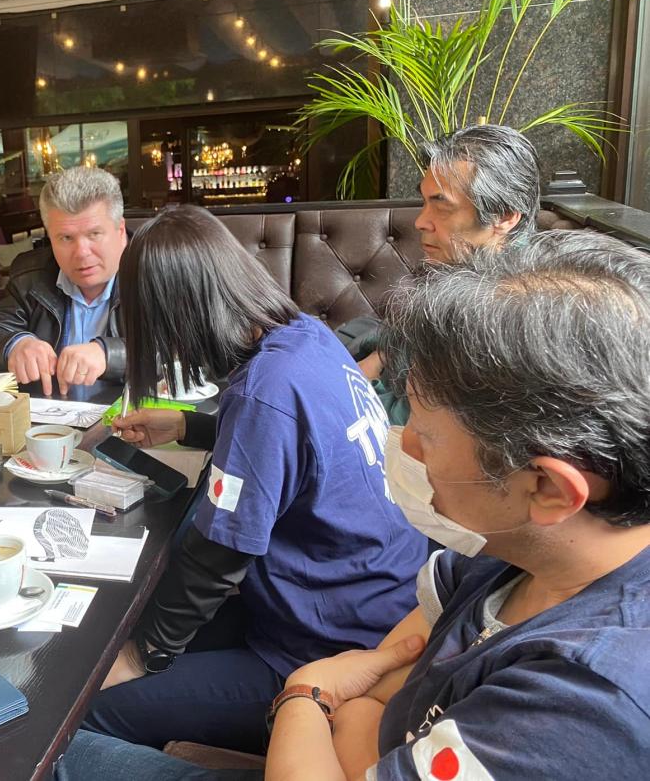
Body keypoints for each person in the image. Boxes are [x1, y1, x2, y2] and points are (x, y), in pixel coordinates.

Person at [59, 229, 650, 781]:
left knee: (70, 721)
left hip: (317, 638)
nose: (402, 445)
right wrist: (351, 714)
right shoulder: (501, 561)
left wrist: (307, 696)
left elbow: (347, 682)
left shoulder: (577, 704)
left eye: (427, 435)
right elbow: (383, 687)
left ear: (550, 489)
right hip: (321, 617)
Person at [83, 206, 425, 755]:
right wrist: (188, 425)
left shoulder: (265, 391)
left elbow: (217, 555)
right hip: (375, 597)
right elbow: (294, 448)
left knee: (89, 707)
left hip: (325, 645)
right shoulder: (307, 336)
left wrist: (143, 655)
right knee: (127, 628)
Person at [342, 124, 541, 424]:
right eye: (424, 203)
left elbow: (423, 424)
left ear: (504, 216)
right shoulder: (464, 272)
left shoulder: (507, 313)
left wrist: (354, 384)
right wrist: (379, 356)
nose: (421, 222)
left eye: (442, 206)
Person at [0, 167, 128, 396]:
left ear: (120, 231)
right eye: (66, 238)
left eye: (94, 234)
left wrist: (109, 354)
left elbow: (174, 350)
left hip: (131, 417)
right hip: (48, 416)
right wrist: (16, 344)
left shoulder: (152, 273)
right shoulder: (31, 276)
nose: (82, 252)